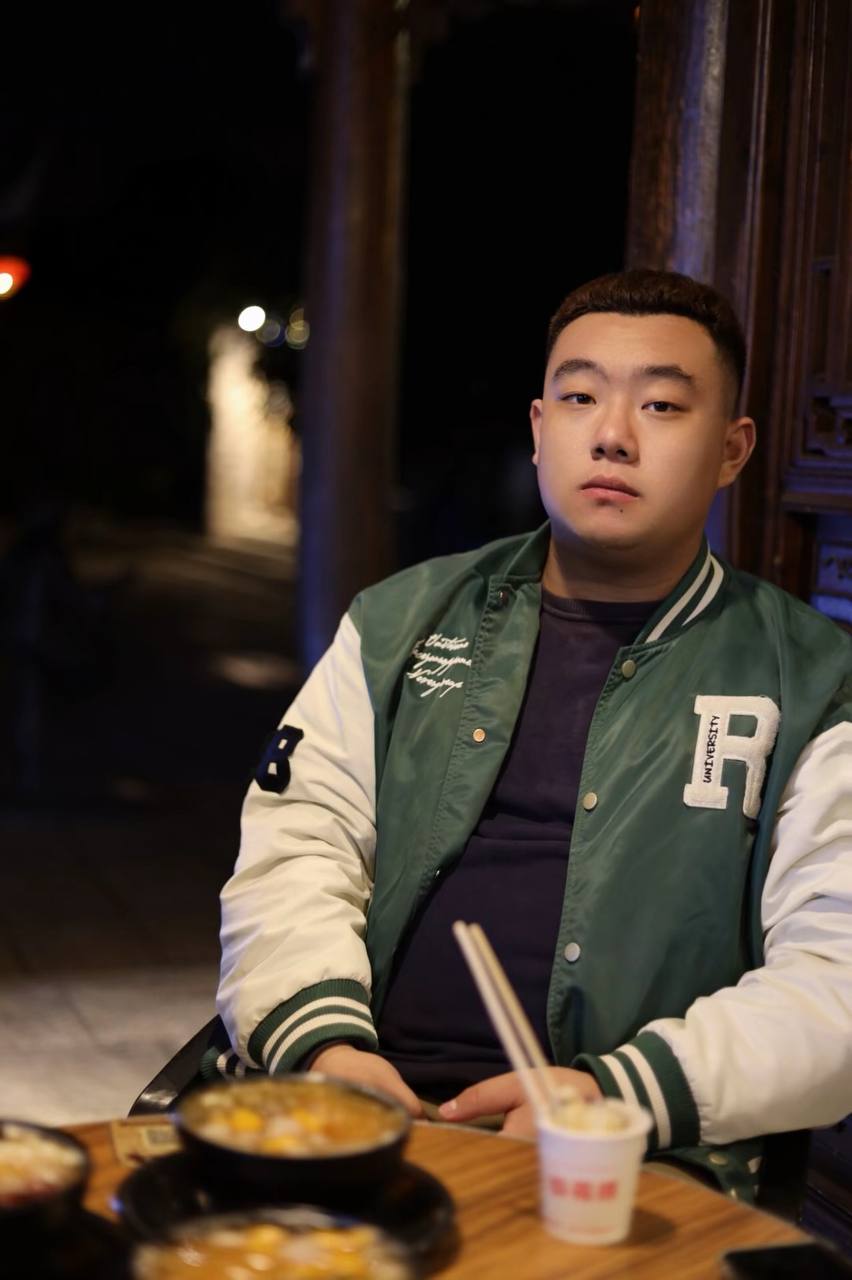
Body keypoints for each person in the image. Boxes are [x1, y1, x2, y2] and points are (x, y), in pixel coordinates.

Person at [210, 270, 852, 1198]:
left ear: (731, 449)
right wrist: (325, 1050)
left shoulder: (811, 677)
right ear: (540, 428)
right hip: (361, 1107)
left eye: (663, 405)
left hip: (629, 1155)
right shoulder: (400, 622)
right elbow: (297, 845)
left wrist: (617, 1094)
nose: (613, 434)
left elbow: (836, 976)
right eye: (580, 397)